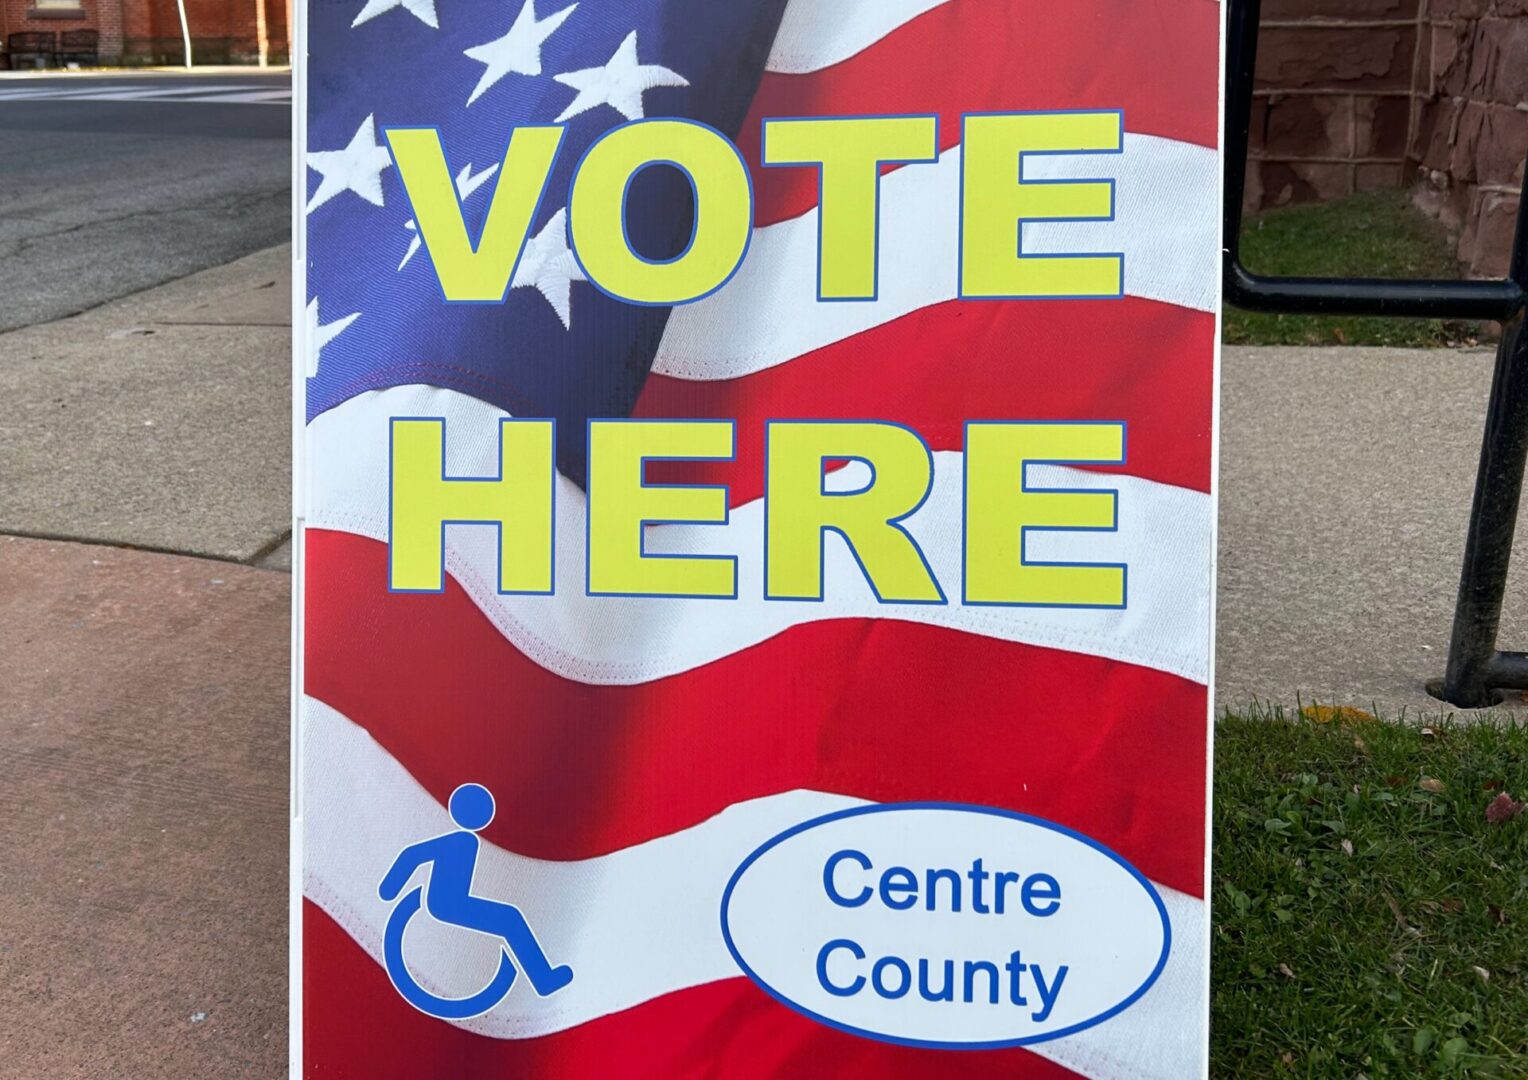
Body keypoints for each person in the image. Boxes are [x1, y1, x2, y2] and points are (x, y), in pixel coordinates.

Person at [379, 783, 574, 996]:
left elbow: (413, 856)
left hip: (454, 901)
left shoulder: (467, 841)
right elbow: (413, 856)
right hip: (447, 904)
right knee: (509, 918)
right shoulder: (456, 841)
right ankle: (543, 978)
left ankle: (543, 977)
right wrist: (389, 888)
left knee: (510, 918)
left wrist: (391, 888)